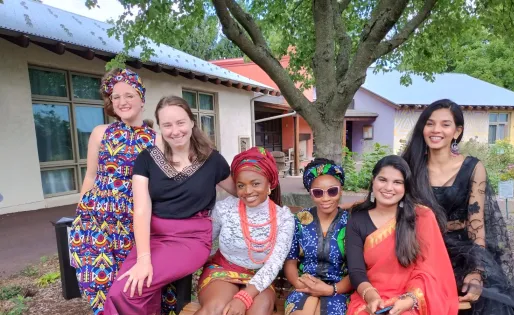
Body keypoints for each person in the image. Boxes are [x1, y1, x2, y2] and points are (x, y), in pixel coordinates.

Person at [104, 96, 236, 315]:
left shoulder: (212, 160)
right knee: (120, 292)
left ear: (192, 122)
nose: (175, 130)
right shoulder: (146, 159)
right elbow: (141, 209)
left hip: (191, 239)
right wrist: (144, 260)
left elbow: (242, 190)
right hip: (153, 237)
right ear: (160, 127)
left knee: (131, 290)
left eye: (180, 122)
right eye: (167, 125)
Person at [401, 99, 514, 314]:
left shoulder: (472, 167)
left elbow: (476, 226)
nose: (436, 130)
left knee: (490, 303)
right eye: (430, 123)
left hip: (460, 253)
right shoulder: (409, 165)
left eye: (445, 124)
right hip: (418, 250)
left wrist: (477, 271)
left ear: (457, 131)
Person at [68, 68, 155, 315]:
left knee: (130, 286)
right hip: (96, 222)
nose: (122, 102)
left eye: (129, 95)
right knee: (96, 282)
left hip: (132, 224)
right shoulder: (100, 133)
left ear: (141, 98)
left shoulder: (155, 139)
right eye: (116, 97)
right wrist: (80, 213)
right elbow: (91, 175)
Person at [346, 155, 458, 315]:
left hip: (411, 297)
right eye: (382, 180)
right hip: (370, 296)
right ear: (373, 181)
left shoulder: (421, 217)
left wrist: (410, 299)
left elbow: (429, 270)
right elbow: (356, 271)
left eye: (397, 182)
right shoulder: (357, 220)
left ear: (406, 187)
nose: (388, 187)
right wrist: (371, 297)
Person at [195, 146, 295, 315]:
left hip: (260, 277)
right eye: (241, 185)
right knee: (216, 310)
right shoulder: (225, 208)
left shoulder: (284, 218)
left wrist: (244, 298)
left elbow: (274, 264)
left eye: (255, 183)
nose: (248, 191)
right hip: (223, 270)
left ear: (270, 183)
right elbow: (205, 241)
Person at [283, 158, 352, 315]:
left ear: (341, 189)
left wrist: (329, 289)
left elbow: (356, 269)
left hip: (339, 289)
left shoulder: (351, 222)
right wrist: (301, 285)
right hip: (303, 285)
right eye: (318, 192)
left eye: (332, 191)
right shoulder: (300, 220)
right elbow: (290, 261)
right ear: (311, 193)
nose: (325, 198)